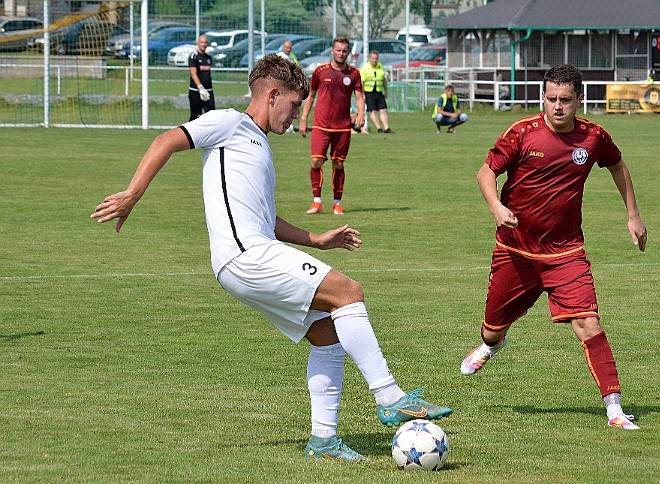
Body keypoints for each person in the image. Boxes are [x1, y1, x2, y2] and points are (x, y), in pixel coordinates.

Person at [91, 54, 451, 461]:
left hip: (248, 254)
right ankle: (390, 397)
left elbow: (265, 218)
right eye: (295, 106)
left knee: (327, 334)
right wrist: (132, 194)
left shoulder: (258, 143)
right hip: (246, 255)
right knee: (348, 292)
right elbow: (166, 140)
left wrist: (315, 239)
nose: (297, 115)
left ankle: (323, 441)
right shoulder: (229, 122)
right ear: (273, 94)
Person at [460, 64, 647, 431]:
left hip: (566, 253)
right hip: (515, 251)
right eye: (550, 99)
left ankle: (614, 410)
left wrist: (633, 216)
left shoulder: (593, 137)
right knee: (491, 329)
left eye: (564, 100)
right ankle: (493, 346)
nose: (556, 106)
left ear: (580, 99)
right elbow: (486, 172)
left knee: (588, 323)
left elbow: (617, 166)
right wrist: (497, 206)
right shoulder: (522, 133)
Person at [299, 37, 365, 215]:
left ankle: (337, 203)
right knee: (316, 160)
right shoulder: (320, 71)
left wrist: (361, 113)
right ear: (332, 51)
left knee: (338, 164)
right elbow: (311, 95)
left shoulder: (354, 73)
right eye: (338, 50)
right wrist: (304, 119)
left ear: (348, 53)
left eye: (344, 51)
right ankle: (317, 201)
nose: (341, 54)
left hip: (342, 126)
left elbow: (359, 97)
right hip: (321, 124)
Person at [360, 50, 393, 133]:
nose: (375, 60)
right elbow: (361, 82)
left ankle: (386, 128)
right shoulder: (365, 67)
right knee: (373, 110)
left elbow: (383, 79)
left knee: (383, 110)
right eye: (373, 58)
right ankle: (379, 128)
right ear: (369, 58)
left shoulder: (380, 66)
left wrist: (386, 91)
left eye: (376, 58)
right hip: (369, 92)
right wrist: (362, 94)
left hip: (378, 91)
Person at [188, 34, 215, 121]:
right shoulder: (194, 56)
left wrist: (206, 90)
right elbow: (193, 74)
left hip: (208, 91)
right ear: (198, 43)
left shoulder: (208, 58)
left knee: (211, 115)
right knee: (195, 116)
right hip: (196, 90)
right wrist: (200, 88)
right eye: (202, 42)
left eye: (205, 42)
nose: (204, 44)